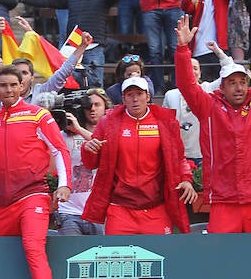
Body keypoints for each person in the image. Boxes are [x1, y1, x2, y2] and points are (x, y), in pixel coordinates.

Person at [174, 10, 251, 233]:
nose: (238, 87)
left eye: (242, 82)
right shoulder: (208, 107)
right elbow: (187, 86)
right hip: (224, 201)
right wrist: (183, 50)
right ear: (221, 87)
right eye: (232, 82)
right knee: (222, 261)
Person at [0, 65, 72, 279]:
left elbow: (60, 149)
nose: (9, 90)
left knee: (33, 249)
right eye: (3, 86)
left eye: (13, 85)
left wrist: (64, 185)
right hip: (2, 200)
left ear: (22, 86)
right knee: (4, 256)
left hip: (33, 194)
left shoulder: (38, 115)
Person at [81, 76, 196, 234]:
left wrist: (186, 179)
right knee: (118, 257)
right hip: (120, 209)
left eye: (139, 94)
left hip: (156, 207)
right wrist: (88, 150)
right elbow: (90, 163)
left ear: (148, 97)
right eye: (130, 95)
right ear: (123, 99)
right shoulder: (108, 123)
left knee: (161, 257)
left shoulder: (165, 121)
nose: (135, 99)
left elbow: (179, 157)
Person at [21, 0, 120, 87]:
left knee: (95, 86)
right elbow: (48, 1)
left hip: (94, 46)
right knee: (67, 83)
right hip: (73, 46)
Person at [55, 87, 109, 235]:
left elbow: (107, 148)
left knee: (102, 257)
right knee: (70, 256)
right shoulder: (65, 135)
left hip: (99, 211)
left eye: (97, 105)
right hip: (69, 211)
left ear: (106, 108)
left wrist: (79, 130)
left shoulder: (110, 131)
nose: (92, 109)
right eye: (88, 106)